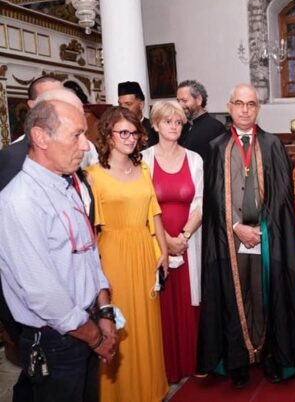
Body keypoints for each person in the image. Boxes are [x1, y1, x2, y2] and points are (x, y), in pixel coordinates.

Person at [0, 97, 117, 402]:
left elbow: (90, 256)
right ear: (41, 137)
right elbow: (43, 294)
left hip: (87, 326)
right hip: (58, 341)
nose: (85, 145)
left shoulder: (65, 185)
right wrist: (96, 338)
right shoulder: (19, 202)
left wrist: (105, 312)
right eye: (76, 135)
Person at [197, 83, 295, 389]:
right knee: (234, 297)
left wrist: (262, 228)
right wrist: (236, 226)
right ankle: (238, 361)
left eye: (251, 104)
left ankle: (270, 355)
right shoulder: (216, 147)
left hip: (265, 237)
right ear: (229, 107)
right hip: (229, 238)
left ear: (257, 108)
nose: (245, 110)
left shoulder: (272, 145)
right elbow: (212, 197)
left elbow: (283, 195)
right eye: (239, 103)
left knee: (265, 295)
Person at [86, 106, 168, 402]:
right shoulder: (92, 175)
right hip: (113, 256)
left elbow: (154, 213)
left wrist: (163, 252)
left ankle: (150, 391)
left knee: (146, 326)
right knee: (119, 325)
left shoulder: (143, 168)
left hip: (145, 253)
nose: (131, 138)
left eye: (134, 133)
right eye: (123, 132)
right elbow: (91, 230)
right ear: (108, 135)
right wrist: (95, 271)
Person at [141, 100, 203, 383]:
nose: (174, 126)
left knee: (189, 302)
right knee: (161, 304)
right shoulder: (142, 160)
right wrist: (166, 241)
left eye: (178, 122)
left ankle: (190, 362)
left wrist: (184, 236)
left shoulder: (195, 159)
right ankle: (164, 368)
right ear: (155, 125)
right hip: (156, 241)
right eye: (168, 121)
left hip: (189, 241)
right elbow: (143, 205)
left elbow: (201, 202)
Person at [176, 79, 226, 162]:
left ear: (198, 100)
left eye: (184, 100)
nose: (180, 105)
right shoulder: (181, 126)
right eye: (178, 101)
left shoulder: (215, 128)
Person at [117, 80, 158, 147]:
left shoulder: (153, 129)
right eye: (120, 104)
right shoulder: (115, 129)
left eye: (128, 104)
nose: (123, 108)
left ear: (141, 105)